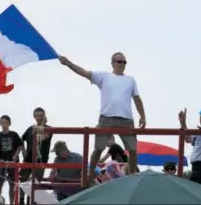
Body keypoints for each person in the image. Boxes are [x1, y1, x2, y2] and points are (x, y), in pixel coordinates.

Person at [58, 52, 146, 187]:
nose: (122, 64)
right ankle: (90, 176)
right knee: (98, 148)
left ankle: (132, 176)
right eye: (119, 61)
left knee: (133, 150)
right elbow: (84, 72)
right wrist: (68, 63)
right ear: (112, 63)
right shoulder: (104, 76)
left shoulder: (130, 80)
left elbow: (137, 98)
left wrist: (143, 116)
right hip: (107, 118)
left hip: (126, 119)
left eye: (124, 62)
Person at [19, 107, 53, 205]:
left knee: (37, 182)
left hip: (41, 159)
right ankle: (21, 200)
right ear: (34, 116)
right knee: (23, 178)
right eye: (37, 116)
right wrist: (23, 150)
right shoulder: (30, 128)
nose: (39, 118)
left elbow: (40, 138)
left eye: (41, 116)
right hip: (28, 157)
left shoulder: (49, 128)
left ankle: (35, 202)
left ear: (44, 116)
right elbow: (21, 140)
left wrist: (41, 125)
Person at [0, 115, 23, 205]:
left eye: (6, 123)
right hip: (2, 162)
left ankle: (11, 203)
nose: (4, 125)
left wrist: (16, 155)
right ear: (0, 124)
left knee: (11, 183)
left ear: (9, 124)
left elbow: (20, 146)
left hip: (12, 162)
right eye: (3, 123)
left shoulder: (14, 134)